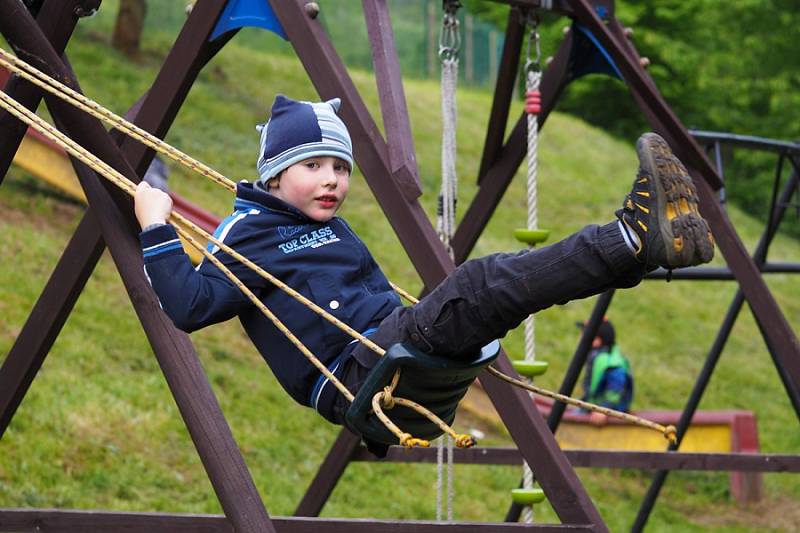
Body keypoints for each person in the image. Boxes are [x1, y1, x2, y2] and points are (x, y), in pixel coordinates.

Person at [134, 94, 714, 442]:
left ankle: (638, 245)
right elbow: (188, 306)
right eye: (314, 165)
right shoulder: (250, 232)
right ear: (274, 175)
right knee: (482, 284)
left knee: (496, 294)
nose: (333, 179)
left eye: (340, 166)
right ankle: (632, 238)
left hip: (391, 352)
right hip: (357, 373)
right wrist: (156, 225)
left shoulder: (323, 226)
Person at [577, 319, 633, 426]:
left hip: (610, 413)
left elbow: (616, 388)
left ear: (596, 340)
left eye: (583, 333)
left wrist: (604, 410)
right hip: (593, 407)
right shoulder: (595, 357)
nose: (579, 337)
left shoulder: (610, 362)